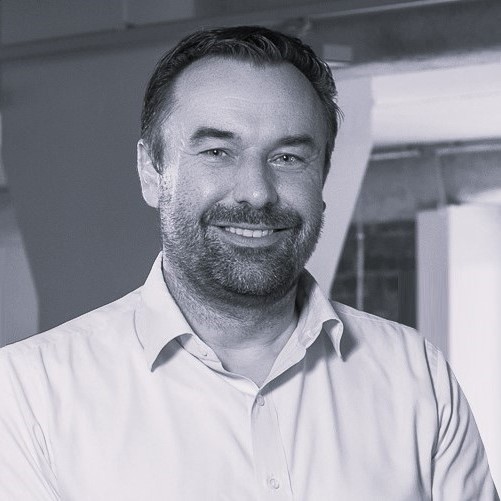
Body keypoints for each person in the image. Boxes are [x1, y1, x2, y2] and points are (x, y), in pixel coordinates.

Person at [0, 26, 498, 501]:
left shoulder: (415, 374)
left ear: (323, 177)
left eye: (288, 158)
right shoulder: (28, 392)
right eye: (218, 151)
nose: (257, 192)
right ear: (151, 172)